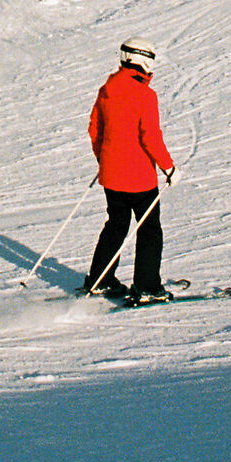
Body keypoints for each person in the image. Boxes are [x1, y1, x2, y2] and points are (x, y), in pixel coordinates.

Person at [82, 39, 177, 303]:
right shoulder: (145, 95)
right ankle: (147, 286)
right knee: (149, 230)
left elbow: (95, 129)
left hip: (111, 175)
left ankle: (100, 279)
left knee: (116, 224)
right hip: (139, 179)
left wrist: (104, 158)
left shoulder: (106, 89)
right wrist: (169, 167)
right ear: (143, 61)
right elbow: (150, 137)